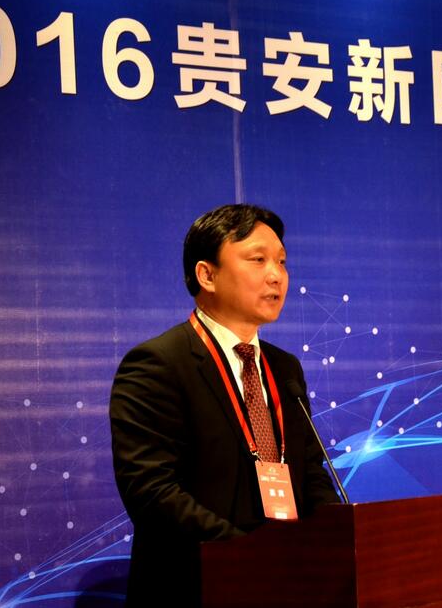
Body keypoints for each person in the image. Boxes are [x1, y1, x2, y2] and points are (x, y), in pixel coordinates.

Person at [110, 204, 341, 607]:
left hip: (290, 585)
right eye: (258, 260)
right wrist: (249, 556)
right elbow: (151, 492)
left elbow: (310, 473)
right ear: (207, 275)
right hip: (196, 586)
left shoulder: (285, 368)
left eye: (282, 262)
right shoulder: (157, 364)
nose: (276, 275)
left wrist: (331, 539)